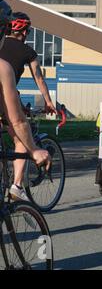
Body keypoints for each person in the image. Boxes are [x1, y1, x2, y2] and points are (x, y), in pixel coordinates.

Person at [0, 11, 56, 200]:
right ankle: (16, 185)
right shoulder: (27, 52)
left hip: (8, 95)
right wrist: (48, 102)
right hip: (5, 98)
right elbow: (38, 78)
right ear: (24, 32)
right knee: (21, 138)